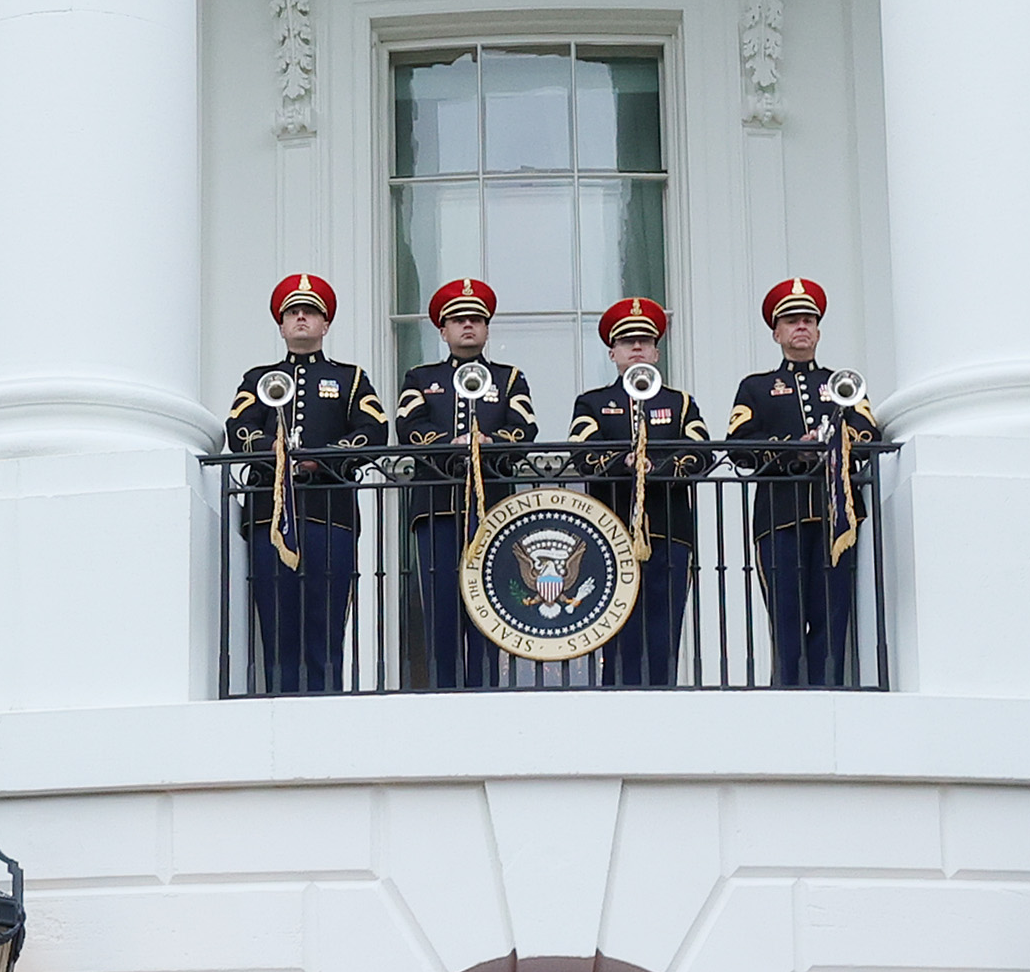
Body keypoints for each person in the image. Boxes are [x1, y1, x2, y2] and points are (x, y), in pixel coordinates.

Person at [225, 275, 390, 695]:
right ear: (281, 327)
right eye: (292, 313)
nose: (301, 317)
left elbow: (374, 430)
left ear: (325, 324)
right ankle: (279, 710)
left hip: (329, 516)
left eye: (310, 312)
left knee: (326, 624)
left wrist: (322, 458)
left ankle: (325, 708)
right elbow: (238, 427)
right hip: (271, 517)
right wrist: (275, 450)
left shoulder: (351, 378)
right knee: (277, 626)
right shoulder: (257, 378)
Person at [725, 278, 876, 689]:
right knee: (787, 616)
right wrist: (794, 448)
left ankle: (829, 692)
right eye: (792, 321)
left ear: (819, 331)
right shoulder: (754, 387)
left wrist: (835, 442)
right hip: (781, 516)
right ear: (777, 333)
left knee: (832, 613)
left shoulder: (843, 383)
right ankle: (789, 694)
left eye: (809, 320)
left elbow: (867, 432)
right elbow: (739, 445)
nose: (801, 328)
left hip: (835, 518)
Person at [395, 278, 536, 690]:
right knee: (440, 611)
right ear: (443, 330)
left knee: (489, 609)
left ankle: (487, 690)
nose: (468, 326)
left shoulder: (509, 379)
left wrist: (492, 444)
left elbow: (524, 428)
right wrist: (446, 444)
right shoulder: (421, 377)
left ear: (487, 329)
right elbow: (409, 427)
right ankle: (441, 693)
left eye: (476, 319)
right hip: (437, 507)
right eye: (458, 320)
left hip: (492, 510)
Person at [568, 298, 714, 688]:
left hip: (670, 527)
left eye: (645, 341)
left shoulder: (679, 402)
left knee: (666, 626)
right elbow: (582, 454)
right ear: (613, 353)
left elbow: (702, 453)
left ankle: (662, 697)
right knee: (616, 627)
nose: (637, 348)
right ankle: (617, 696)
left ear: (656, 352)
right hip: (612, 531)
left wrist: (658, 466)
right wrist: (625, 463)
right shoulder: (594, 403)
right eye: (628, 342)